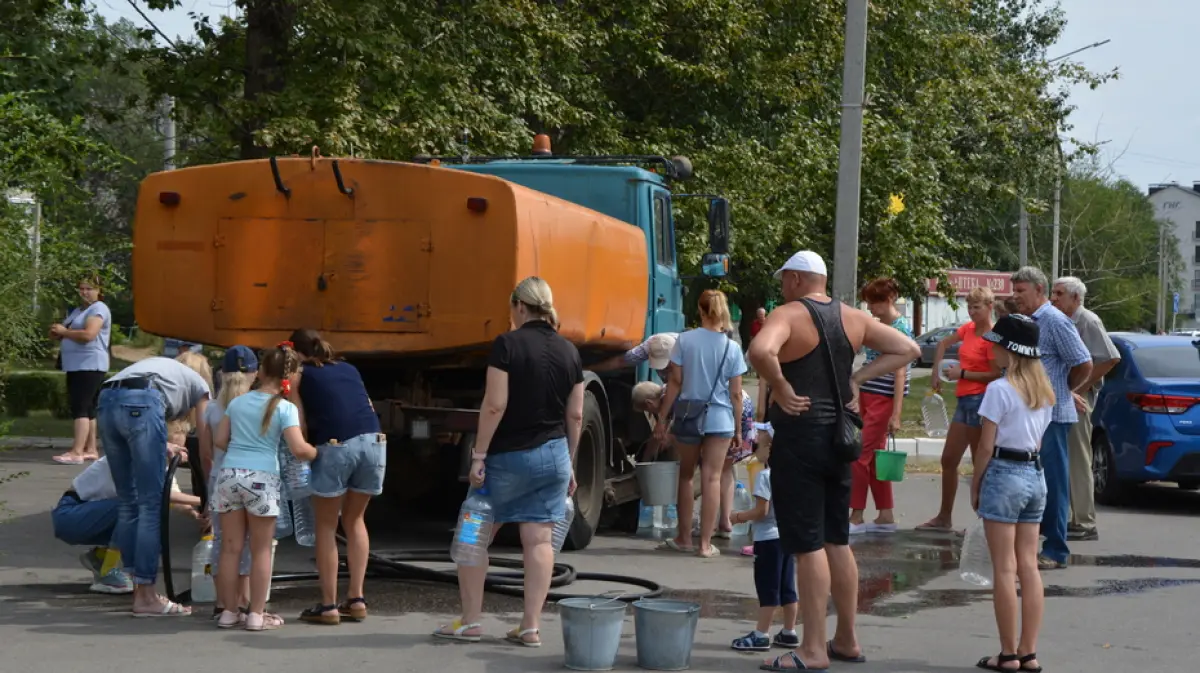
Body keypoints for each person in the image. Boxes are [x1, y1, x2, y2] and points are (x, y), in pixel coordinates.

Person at [748, 250, 919, 671]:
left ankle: (812, 649)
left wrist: (782, 387)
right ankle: (846, 638)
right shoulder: (854, 318)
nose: (783, 285)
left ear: (794, 279)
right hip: (842, 436)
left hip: (802, 436)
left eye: (785, 279)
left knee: (808, 547)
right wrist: (855, 378)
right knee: (837, 540)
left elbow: (759, 351)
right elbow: (908, 348)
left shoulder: (788, 314)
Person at [434, 277, 583, 647]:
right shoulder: (571, 352)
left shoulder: (507, 344)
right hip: (554, 456)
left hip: (506, 459)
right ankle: (530, 626)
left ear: (519, 306)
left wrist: (479, 454)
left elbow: (495, 404)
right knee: (538, 538)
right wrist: (571, 464)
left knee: (472, 533)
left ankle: (470, 621)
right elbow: (576, 416)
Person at [970, 313, 1054, 673]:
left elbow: (985, 447)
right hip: (1035, 474)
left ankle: (1007, 654)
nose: (992, 350)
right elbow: (1038, 440)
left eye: (997, 344)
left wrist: (976, 485)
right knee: (1028, 566)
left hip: (1004, 473)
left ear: (1010, 350)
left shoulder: (998, 390)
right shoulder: (1044, 392)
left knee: (1004, 569)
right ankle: (1028, 652)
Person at [213, 344, 318, 631]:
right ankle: (256, 615)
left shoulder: (237, 402)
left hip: (230, 475)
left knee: (230, 549)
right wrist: (315, 452)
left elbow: (221, 440)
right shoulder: (285, 408)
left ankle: (228, 612)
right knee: (260, 550)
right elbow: (298, 449)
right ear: (291, 376)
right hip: (262, 479)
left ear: (259, 372)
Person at [99, 353, 212, 617]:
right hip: (142, 401)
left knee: (129, 502)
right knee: (151, 505)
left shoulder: (163, 369)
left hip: (106, 399)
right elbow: (205, 448)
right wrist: (210, 496)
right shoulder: (200, 386)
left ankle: (136, 587)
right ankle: (147, 596)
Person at [289, 328, 386, 626]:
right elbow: (367, 406)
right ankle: (356, 599)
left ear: (295, 351)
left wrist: (299, 454)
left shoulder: (298, 374)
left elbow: (298, 417)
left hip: (335, 445)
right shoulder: (349, 368)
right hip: (374, 442)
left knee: (327, 527)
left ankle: (329, 605)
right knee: (355, 520)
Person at [54, 425, 205, 595]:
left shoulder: (157, 464)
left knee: (146, 522)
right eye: (170, 450)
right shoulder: (130, 458)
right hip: (71, 514)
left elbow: (174, 496)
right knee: (135, 508)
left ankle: (100, 559)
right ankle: (109, 574)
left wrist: (194, 514)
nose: (171, 457)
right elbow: (160, 494)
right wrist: (206, 500)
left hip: (88, 513)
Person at [654, 289, 747, 558]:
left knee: (685, 476)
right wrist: (739, 430)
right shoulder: (732, 348)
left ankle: (684, 537)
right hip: (720, 419)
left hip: (688, 417)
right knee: (713, 478)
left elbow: (674, 382)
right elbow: (736, 394)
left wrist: (662, 419)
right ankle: (705, 545)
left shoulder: (684, 340)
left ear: (701, 310)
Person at [1011, 267, 1091, 571]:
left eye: (1022, 291)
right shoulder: (1025, 322)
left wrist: (1067, 391)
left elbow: (1083, 362)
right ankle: (1030, 543)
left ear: (1039, 290)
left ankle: (1056, 549)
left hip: (1054, 416)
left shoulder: (1055, 321)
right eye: (1015, 290)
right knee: (1030, 481)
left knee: (1054, 482)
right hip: (1028, 414)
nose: (1016, 296)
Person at [918, 287, 1003, 531]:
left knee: (980, 463)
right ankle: (944, 517)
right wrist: (936, 372)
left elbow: (996, 374)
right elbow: (943, 344)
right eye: (970, 307)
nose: (972, 311)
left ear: (990, 307)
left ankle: (987, 522)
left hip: (980, 402)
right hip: (963, 400)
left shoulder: (993, 336)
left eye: (977, 307)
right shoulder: (967, 329)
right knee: (949, 459)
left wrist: (963, 373)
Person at [1051, 276, 1119, 542]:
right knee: (1063, 456)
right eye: (1053, 293)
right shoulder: (1063, 320)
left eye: (1059, 294)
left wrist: (1079, 389)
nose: (1053, 298)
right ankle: (1070, 517)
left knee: (1079, 456)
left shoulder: (1087, 320)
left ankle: (1085, 522)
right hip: (1065, 394)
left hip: (1078, 397)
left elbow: (1111, 357)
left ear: (1076, 298)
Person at [851, 278, 912, 534]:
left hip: (882, 397)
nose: (871, 308)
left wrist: (896, 413)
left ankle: (856, 515)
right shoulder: (879, 325)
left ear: (889, 299)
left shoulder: (900, 328)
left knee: (859, 455)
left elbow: (900, 373)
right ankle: (885, 513)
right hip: (869, 393)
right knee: (876, 458)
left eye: (874, 302)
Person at [201, 345, 258, 618]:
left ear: (221, 373)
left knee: (223, 542)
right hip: (254, 477)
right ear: (255, 374)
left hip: (220, 478)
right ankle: (245, 601)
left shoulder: (212, 409)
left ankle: (222, 604)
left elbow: (205, 454)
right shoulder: (259, 406)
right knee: (249, 543)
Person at [728, 464, 799, 652]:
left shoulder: (765, 476)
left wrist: (738, 516)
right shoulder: (793, 471)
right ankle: (789, 631)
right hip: (787, 536)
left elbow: (762, 511)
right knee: (787, 587)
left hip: (768, 539)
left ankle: (761, 634)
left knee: (768, 588)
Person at [49, 275, 112, 464]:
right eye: (81, 288)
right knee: (89, 408)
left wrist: (64, 332)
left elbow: (89, 334)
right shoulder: (79, 310)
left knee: (80, 407)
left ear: (99, 290)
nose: (84, 292)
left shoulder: (98, 309)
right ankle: (90, 449)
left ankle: (76, 452)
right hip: (77, 365)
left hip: (89, 365)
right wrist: (58, 332)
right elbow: (67, 331)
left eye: (89, 289)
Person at [594, 332, 678, 383]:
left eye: (666, 365)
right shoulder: (649, 346)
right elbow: (620, 361)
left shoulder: (688, 353)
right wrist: (585, 369)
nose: (664, 370)